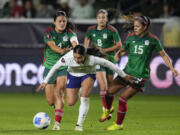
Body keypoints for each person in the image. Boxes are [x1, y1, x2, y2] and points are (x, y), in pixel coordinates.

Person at [104, 15, 179, 130]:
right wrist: (118, 53)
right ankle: (108, 111)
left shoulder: (153, 40)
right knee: (108, 93)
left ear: (145, 27)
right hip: (127, 72)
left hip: (140, 76)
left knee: (123, 99)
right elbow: (123, 49)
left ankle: (118, 125)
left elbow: (163, 54)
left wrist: (172, 69)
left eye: (138, 26)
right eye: (134, 26)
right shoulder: (130, 37)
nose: (135, 28)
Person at [37, 45, 135, 131]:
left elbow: (109, 64)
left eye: (79, 58)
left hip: (88, 75)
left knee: (84, 98)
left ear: (85, 55)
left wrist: (124, 75)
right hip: (73, 75)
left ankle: (79, 125)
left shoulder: (92, 59)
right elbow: (55, 67)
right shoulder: (67, 58)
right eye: (75, 57)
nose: (77, 60)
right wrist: (45, 82)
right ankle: (80, 90)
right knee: (70, 103)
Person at [42, 10, 78, 130]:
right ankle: (57, 106)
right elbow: (53, 46)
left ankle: (57, 123)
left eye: (64, 21)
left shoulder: (70, 33)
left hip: (63, 66)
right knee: (50, 100)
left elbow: (74, 42)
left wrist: (75, 47)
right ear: (54, 22)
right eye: (59, 21)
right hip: (50, 67)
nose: (62, 23)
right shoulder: (48, 33)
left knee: (59, 91)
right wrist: (62, 51)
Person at [84, 9, 122, 122]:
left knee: (110, 89)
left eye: (104, 17)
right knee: (103, 86)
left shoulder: (112, 30)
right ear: (97, 19)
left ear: (107, 19)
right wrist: (86, 50)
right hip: (98, 60)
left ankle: (109, 108)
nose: (101, 19)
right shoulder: (91, 30)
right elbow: (86, 39)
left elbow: (119, 45)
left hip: (109, 60)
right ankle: (106, 109)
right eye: (100, 17)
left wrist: (105, 50)